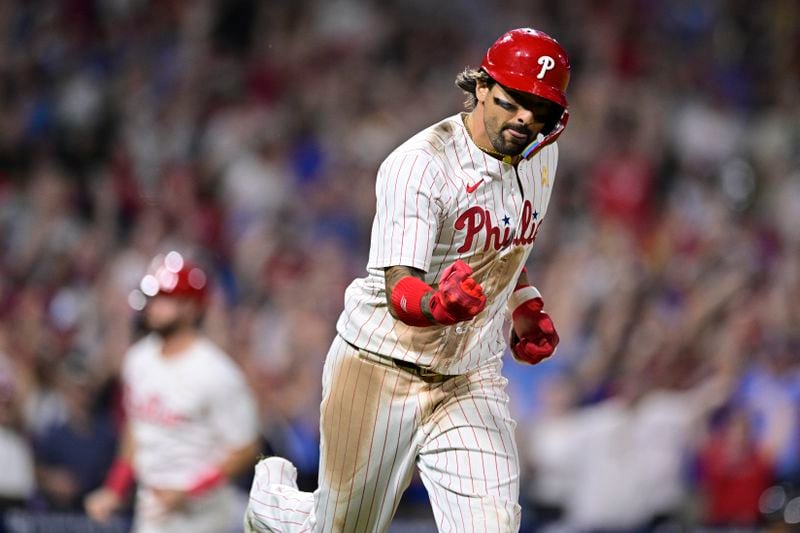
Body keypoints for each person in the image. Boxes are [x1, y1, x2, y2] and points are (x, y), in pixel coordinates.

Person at [246, 27, 570, 533]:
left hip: (469, 376)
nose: (527, 117)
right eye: (514, 100)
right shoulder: (421, 164)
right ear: (481, 87)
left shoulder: (540, 154)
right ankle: (271, 503)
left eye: (542, 108)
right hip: (381, 364)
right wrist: (437, 305)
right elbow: (400, 285)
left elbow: (502, 244)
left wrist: (523, 305)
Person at [84, 251, 261, 533]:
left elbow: (245, 448)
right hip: (152, 507)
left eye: (164, 299)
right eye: (153, 299)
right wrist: (114, 489)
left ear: (191, 308)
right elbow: (137, 429)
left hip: (203, 516)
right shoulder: (138, 359)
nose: (153, 307)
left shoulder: (218, 373)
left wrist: (191, 490)